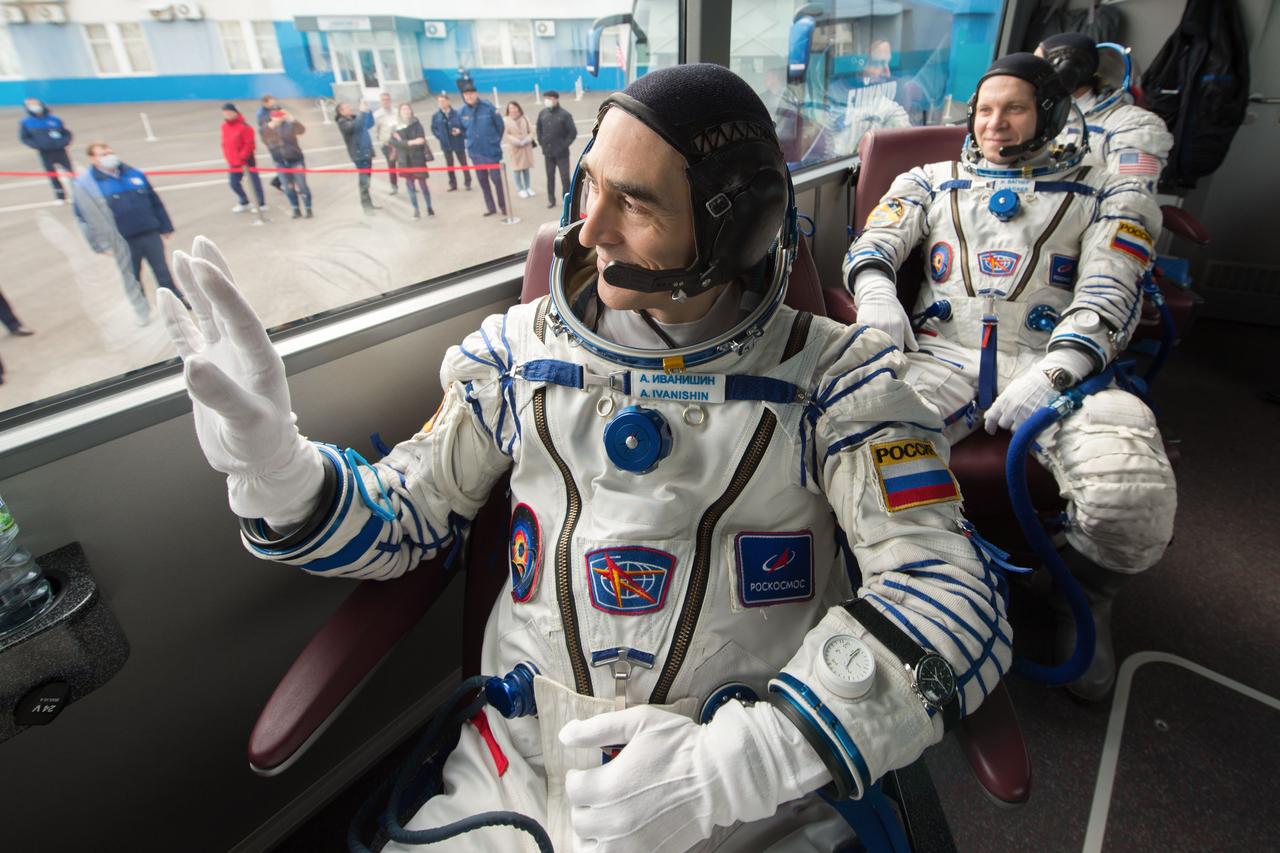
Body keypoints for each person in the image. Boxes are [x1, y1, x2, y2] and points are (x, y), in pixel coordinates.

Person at [159, 64, 1009, 853]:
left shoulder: (841, 383)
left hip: (747, 790)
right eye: (591, 184)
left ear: (737, 228)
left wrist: (741, 763)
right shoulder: (512, 356)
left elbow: (953, 592)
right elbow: (406, 518)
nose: (589, 227)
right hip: (519, 773)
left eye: (633, 203)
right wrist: (279, 471)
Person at [844, 53, 1177, 701]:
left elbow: (1112, 290)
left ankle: (1083, 596)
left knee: (1129, 490)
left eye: (1015, 109)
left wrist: (1059, 369)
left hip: (1057, 364)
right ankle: (914, 584)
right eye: (986, 110)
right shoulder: (932, 180)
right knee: (860, 455)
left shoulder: (1108, 191)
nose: (995, 123)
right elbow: (874, 243)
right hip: (942, 356)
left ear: (1050, 113)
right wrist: (876, 292)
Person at [1037, 33, 1173, 192]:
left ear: (1066, 72)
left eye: (1036, 68)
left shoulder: (1134, 125)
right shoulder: (1043, 117)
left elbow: (1129, 197)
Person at [73, 141, 181, 324]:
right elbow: (84, 218)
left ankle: (176, 304)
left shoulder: (134, 173)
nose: (109, 157)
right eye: (103, 155)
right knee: (132, 277)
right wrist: (99, 245)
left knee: (162, 271)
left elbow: (155, 201)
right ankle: (142, 312)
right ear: (92, 159)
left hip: (149, 232)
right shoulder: (86, 185)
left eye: (110, 152)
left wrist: (165, 225)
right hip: (121, 241)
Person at [459, 85, 507, 218]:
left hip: (491, 151)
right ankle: (490, 207)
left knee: (497, 180)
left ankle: (504, 206)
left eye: (471, 93)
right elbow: (462, 130)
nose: (469, 96)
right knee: (483, 181)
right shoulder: (462, 111)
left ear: (476, 93)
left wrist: (494, 141)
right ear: (463, 96)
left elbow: (500, 126)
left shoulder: (488, 107)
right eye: (466, 94)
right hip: (475, 153)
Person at [261, 104, 313, 219]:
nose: (277, 118)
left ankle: (308, 208)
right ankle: (295, 208)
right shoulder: (266, 128)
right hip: (280, 161)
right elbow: (265, 140)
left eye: (279, 115)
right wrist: (270, 127)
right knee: (288, 187)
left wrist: (292, 119)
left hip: (295, 160)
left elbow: (301, 130)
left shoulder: (289, 125)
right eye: (275, 115)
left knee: (302, 186)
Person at [19, 98, 73, 204]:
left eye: (35, 104)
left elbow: (66, 133)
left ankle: (77, 193)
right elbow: (25, 138)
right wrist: (37, 145)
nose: (34, 107)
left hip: (60, 150)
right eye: (30, 105)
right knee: (52, 175)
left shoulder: (54, 119)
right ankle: (60, 196)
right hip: (45, 152)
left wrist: (64, 142)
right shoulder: (26, 122)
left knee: (70, 173)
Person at [220, 103, 266, 214]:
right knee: (233, 183)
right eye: (225, 113)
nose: (227, 114)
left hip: (246, 161)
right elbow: (225, 143)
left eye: (229, 112)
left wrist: (242, 157)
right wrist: (228, 156)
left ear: (235, 112)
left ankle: (261, 204)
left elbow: (249, 145)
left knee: (254, 183)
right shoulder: (224, 126)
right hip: (233, 162)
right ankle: (244, 202)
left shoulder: (245, 127)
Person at [391, 103, 434, 220]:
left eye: (408, 109)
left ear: (411, 111)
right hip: (404, 160)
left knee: (423, 185)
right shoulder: (395, 127)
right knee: (410, 186)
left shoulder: (417, 124)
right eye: (403, 109)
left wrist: (403, 141)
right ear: (399, 112)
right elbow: (394, 143)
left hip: (418, 159)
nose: (406, 111)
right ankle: (416, 210)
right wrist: (410, 142)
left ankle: (429, 207)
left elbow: (421, 140)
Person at [536, 90, 577, 210]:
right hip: (548, 153)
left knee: (565, 178)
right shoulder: (543, 113)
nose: (547, 101)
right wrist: (542, 142)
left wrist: (563, 145)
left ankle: (567, 201)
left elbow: (573, 133)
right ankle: (551, 200)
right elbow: (539, 129)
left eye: (549, 98)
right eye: (546, 98)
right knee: (550, 177)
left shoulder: (565, 115)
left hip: (562, 154)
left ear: (556, 99)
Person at [336, 101, 377, 214]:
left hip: (366, 152)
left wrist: (368, 112)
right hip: (359, 155)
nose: (350, 108)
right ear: (341, 112)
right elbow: (355, 127)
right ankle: (366, 207)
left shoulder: (355, 118)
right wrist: (362, 112)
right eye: (346, 107)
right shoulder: (342, 122)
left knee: (367, 180)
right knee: (364, 181)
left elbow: (369, 123)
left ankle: (369, 204)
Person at [432, 93, 472, 192]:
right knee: (449, 165)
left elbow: (464, 126)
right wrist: (440, 136)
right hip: (445, 143)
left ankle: (467, 182)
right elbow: (434, 128)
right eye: (439, 102)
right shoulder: (436, 116)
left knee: (463, 163)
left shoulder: (457, 114)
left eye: (443, 101)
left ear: (448, 101)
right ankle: (453, 184)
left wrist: (460, 131)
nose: (441, 103)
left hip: (457, 141)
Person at [503, 101, 536, 198]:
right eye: (511, 108)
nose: (513, 110)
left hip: (526, 147)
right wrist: (517, 141)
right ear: (508, 110)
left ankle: (528, 187)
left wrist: (527, 139)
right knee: (516, 170)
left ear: (518, 108)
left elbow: (531, 131)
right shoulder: (505, 120)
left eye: (514, 107)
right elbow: (506, 134)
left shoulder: (524, 117)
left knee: (526, 169)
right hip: (515, 148)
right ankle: (520, 189)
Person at [256, 94, 286, 193]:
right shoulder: (261, 114)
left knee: (287, 163)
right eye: (271, 101)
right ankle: (281, 182)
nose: (273, 102)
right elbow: (264, 129)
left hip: (283, 140)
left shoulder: (276, 108)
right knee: (282, 164)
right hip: (273, 143)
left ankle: (279, 181)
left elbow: (284, 118)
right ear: (265, 102)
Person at [373, 91, 400, 196]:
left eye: (387, 99)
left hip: (399, 143)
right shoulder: (377, 115)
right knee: (391, 166)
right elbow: (376, 131)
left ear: (390, 100)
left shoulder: (397, 112)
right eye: (383, 100)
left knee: (405, 163)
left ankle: (411, 184)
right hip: (387, 144)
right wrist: (381, 142)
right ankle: (394, 187)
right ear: (380, 101)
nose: (385, 102)